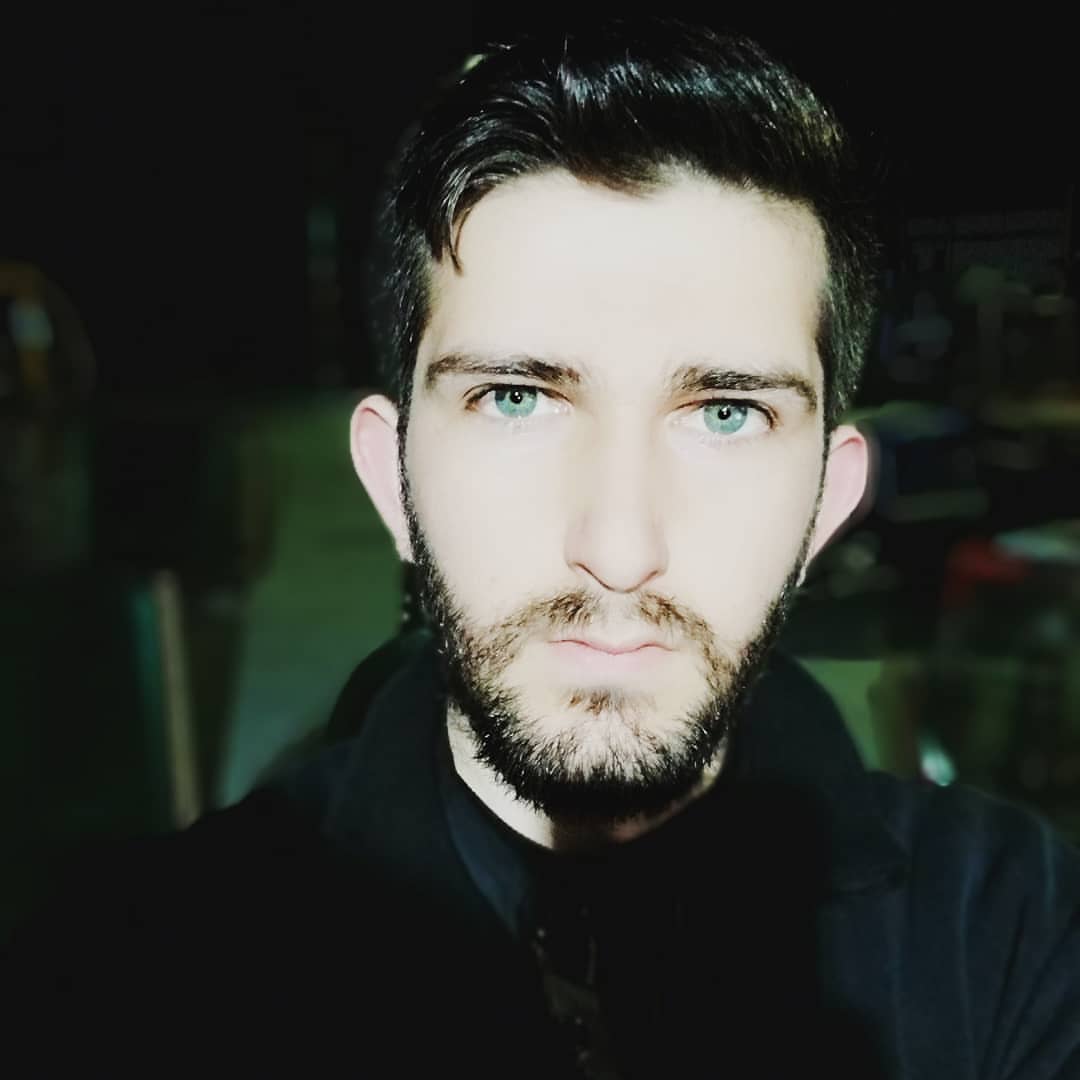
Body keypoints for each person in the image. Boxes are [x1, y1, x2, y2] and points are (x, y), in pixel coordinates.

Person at [6, 17, 1080, 1078]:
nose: (618, 547)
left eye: (726, 414)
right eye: (516, 398)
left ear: (828, 501)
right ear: (391, 479)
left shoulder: (1015, 937)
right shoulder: (132, 980)